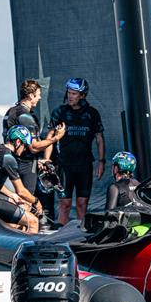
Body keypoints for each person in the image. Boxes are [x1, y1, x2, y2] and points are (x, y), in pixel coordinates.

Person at [46, 78, 105, 224]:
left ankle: (80, 236)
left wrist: (101, 162)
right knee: (64, 204)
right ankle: (61, 238)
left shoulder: (92, 113)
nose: (70, 96)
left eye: (74, 94)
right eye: (69, 93)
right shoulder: (60, 112)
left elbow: (99, 138)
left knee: (82, 204)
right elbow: (50, 136)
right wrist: (47, 160)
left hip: (84, 165)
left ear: (82, 95)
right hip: (64, 165)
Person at [2, 80, 65, 197]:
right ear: (31, 96)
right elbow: (34, 148)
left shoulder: (10, 112)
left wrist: (38, 161)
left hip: (11, 160)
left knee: (19, 197)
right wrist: (56, 137)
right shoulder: (25, 116)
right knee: (26, 198)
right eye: (38, 94)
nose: (40, 97)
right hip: (25, 164)